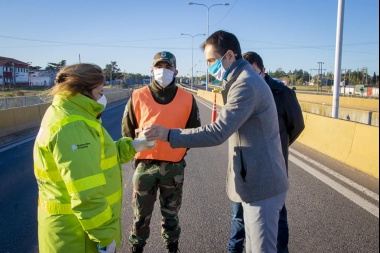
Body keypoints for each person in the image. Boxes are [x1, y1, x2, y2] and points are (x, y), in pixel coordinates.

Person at [145, 31, 289, 253]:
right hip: (256, 182)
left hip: (263, 184)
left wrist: (169, 135)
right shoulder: (240, 80)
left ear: (230, 55)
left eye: (212, 60)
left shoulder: (245, 85)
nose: (209, 67)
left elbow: (218, 131)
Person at [33, 63, 151, 253]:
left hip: (72, 232)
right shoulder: (73, 126)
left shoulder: (67, 113)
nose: (102, 97)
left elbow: (99, 158)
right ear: (82, 91)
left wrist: (133, 145)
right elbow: (86, 193)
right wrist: (105, 237)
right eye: (100, 91)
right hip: (78, 238)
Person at [121, 51, 201, 253]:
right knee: (140, 215)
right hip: (144, 166)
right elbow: (127, 133)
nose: (163, 71)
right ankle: (137, 247)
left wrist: (178, 151)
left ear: (175, 71)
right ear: (152, 70)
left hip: (174, 167)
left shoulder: (187, 99)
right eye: (159, 67)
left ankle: (172, 247)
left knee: (171, 215)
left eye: (168, 67)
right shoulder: (137, 96)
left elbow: (194, 133)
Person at [227, 52, 305, 253]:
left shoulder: (282, 93)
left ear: (263, 70)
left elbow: (296, 126)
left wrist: (275, 149)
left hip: (270, 171)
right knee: (238, 221)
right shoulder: (237, 90)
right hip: (243, 173)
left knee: (277, 222)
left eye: (254, 72)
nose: (249, 78)